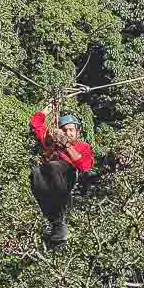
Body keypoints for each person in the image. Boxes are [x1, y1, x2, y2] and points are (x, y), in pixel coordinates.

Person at [29, 101, 94, 247]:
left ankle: (59, 219)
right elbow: (36, 125)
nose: (68, 133)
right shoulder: (51, 143)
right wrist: (46, 111)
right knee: (36, 172)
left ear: (78, 132)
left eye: (71, 130)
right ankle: (56, 224)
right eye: (64, 130)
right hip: (50, 181)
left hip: (68, 177)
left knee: (53, 167)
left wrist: (66, 144)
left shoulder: (82, 146)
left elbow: (84, 165)